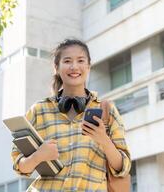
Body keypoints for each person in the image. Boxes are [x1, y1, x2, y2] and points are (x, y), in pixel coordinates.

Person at [11, 39, 131, 191]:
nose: (74, 67)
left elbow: (123, 167)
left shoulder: (107, 110)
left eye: (80, 60)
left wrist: (104, 140)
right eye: (67, 61)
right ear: (57, 67)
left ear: (89, 66)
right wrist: (38, 157)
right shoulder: (39, 110)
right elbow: (18, 165)